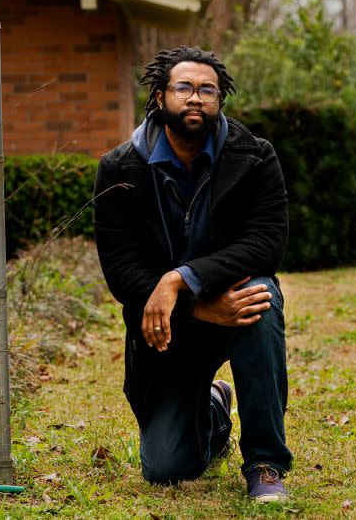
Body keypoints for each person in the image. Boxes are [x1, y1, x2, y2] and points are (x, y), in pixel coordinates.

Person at [92, 46, 292, 502]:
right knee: (167, 467)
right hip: (169, 326)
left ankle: (265, 463)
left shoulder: (255, 157)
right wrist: (198, 307)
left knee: (261, 295)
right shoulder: (119, 168)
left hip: (233, 303)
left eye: (208, 90)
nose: (196, 98)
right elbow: (121, 269)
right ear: (160, 97)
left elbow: (266, 243)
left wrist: (179, 279)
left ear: (220, 99)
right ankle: (215, 408)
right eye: (184, 88)